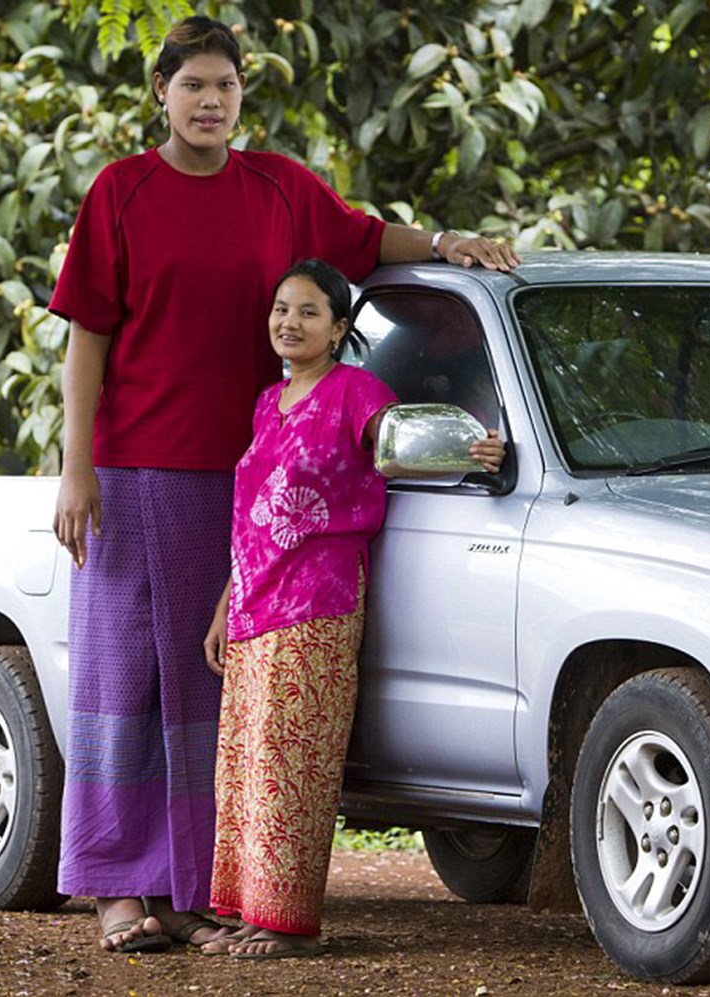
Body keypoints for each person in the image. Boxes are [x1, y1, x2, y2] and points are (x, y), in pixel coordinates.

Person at [49, 14, 518, 955]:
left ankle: (189, 887)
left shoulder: (281, 190)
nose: (212, 101)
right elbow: (85, 340)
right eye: (194, 86)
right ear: (162, 95)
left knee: (207, 686)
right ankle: (116, 886)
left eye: (225, 85)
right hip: (136, 469)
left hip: (257, 483)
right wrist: (75, 470)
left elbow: (369, 239)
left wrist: (450, 241)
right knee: (125, 676)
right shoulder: (120, 192)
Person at [199, 259, 501, 960]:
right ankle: (250, 910)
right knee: (243, 765)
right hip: (250, 606)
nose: (289, 323)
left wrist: (479, 447)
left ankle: (288, 922)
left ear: (339, 328)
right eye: (281, 308)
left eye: (308, 312)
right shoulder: (264, 404)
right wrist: (223, 604)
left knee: (291, 764)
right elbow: (251, 520)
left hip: (317, 602)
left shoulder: (356, 391)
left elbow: (404, 442)